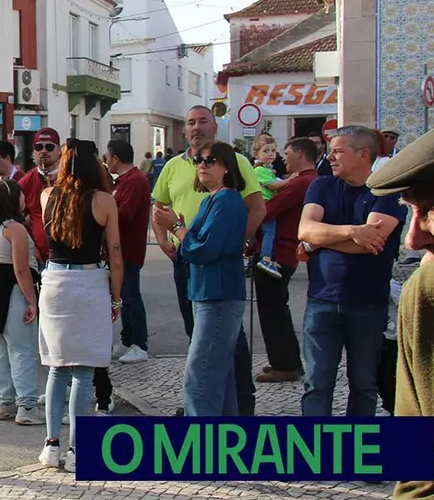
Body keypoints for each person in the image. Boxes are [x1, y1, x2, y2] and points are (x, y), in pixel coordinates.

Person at [152, 105, 265, 416]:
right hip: (202, 286)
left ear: (226, 166)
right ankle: (224, 438)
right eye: (200, 161)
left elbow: (203, 247)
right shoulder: (210, 195)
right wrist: (170, 235)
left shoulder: (227, 198)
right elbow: (179, 226)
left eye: (209, 161)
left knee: (201, 373)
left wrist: (178, 228)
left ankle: (201, 445)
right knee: (216, 369)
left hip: (216, 290)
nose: (201, 165)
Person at [298, 124, 405, 417]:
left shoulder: (387, 192)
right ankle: (315, 451)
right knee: (317, 385)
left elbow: (371, 244)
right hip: (321, 299)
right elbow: (305, 230)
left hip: (368, 303)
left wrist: (321, 242)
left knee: (363, 384)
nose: (330, 157)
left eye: (338, 151)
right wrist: (352, 231)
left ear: (363, 154)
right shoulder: (321, 186)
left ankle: (356, 453)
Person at [363, 130, 434, 500]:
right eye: (410, 212)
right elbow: (417, 469)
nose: (413, 239)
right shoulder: (424, 295)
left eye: (429, 211)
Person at [37, 140, 123, 473]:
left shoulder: (48, 197)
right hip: (88, 281)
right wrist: (116, 296)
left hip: (55, 281)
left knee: (57, 368)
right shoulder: (104, 201)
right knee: (84, 372)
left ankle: (50, 445)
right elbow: (114, 253)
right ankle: (76, 449)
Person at [253, 137, 319, 384]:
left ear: (301, 154)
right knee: (277, 308)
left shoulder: (301, 183)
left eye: (287, 152)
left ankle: (286, 364)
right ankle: (287, 360)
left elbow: (268, 209)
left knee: (272, 310)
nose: (283, 157)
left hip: (279, 252)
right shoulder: (307, 181)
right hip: (284, 251)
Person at [0, 178, 41, 424]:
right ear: (12, 200)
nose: (24, 198)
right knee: (22, 349)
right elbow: (21, 269)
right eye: (21, 194)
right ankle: (27, 406)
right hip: (13, 290)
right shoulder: (15, 228)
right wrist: (32, 301)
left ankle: (3, 402)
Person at [106, 139, 151, 364]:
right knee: (124, 294)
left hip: (129, 246)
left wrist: (105, 211)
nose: (106, 162)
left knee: (131, 295)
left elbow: (125, 213)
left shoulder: (135, 180)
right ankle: (127, 339)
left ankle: (140, 344)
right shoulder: (124, 180)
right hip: (120, 247)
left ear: (115, 158)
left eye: (107, 157)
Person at [19, 127, 63, 265]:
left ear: (59, 151)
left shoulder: (68, 178)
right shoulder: (26, 181)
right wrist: (30, 245)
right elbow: (14, 218)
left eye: (49, 147)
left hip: (68, 254)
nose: (43, 151)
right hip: (39, 256)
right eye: (39, 147)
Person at [252, 135, 289, 278]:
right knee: (269, 232)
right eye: (266, 151)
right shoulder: (259, 170)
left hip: (269, 204)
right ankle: (266, 258)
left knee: (271, 232)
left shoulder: (267, 170)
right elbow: (273, 185)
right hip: (266, 204)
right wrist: (291, 180)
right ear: (256, 154)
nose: (270, 154)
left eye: (273, 150)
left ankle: (269, 256)